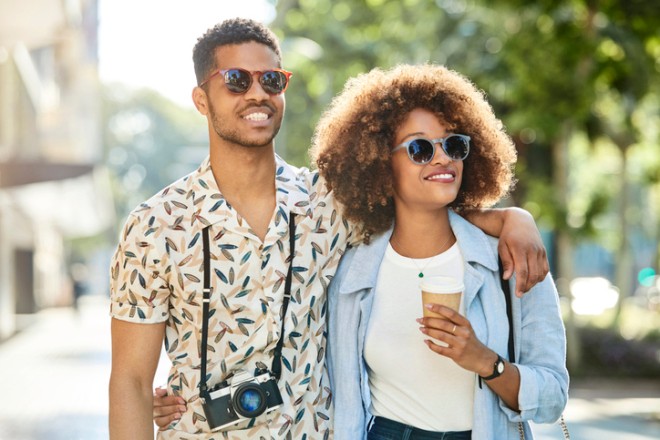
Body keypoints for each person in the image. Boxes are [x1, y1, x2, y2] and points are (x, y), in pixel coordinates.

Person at [109, 18, 549, 440]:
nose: (258, 94)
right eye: (237, 80)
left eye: (272, 80)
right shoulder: (154, 226)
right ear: (202, 99)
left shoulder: (331, 203)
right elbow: (130, 380)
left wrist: (511, 219)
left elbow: (420, 204)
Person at [312, 64, 569, 439]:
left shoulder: (511, 256)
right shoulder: (352, 269)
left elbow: (553, 396)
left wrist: (485, 362)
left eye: (453, 144)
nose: (442, 158)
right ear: (381, 162)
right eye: (419, 148)